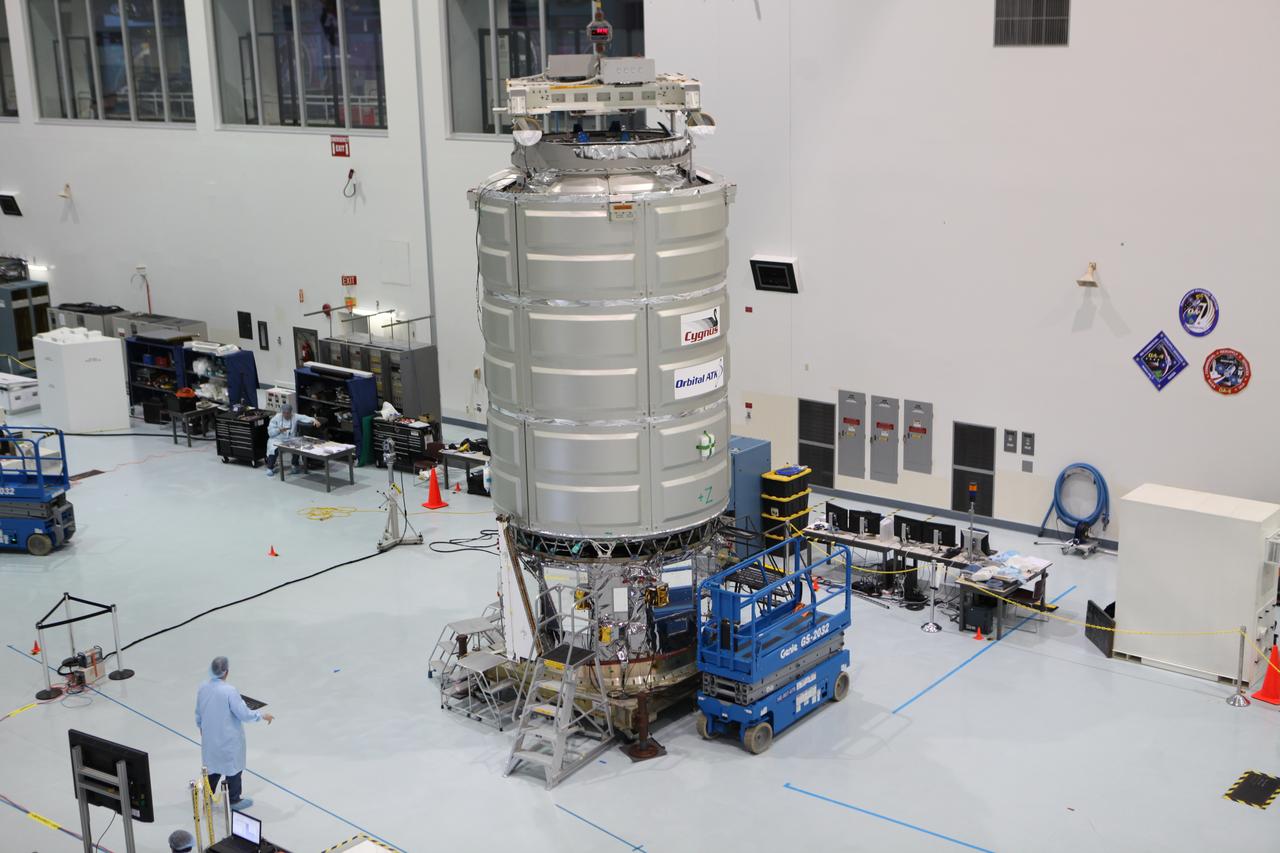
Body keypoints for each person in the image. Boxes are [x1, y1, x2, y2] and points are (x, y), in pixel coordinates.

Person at [195, 656, 274, 812]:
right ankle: (233, 799)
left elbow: (199, 713)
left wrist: (202, 730)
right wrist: (261, 716)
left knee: (212, 768)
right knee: (234, 769)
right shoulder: (229, 691)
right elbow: (243, 714)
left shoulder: (203, 687)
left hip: (210, 739)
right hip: (228, 740)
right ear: (226, 672)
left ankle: (208, 797)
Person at [266, 402, 318, 475]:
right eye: (285, 413)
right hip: (277, 439)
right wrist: (279, 430)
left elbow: (305, 417)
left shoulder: (295, 416)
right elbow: (270, 433)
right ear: (282, 412)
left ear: (291, 412)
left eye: (288, 413)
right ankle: (270, 467)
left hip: (291, 439)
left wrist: (313, 420)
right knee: (273, 449)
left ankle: (295, 465)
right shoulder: (276, 418)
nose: (286, 415)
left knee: (297, 448)